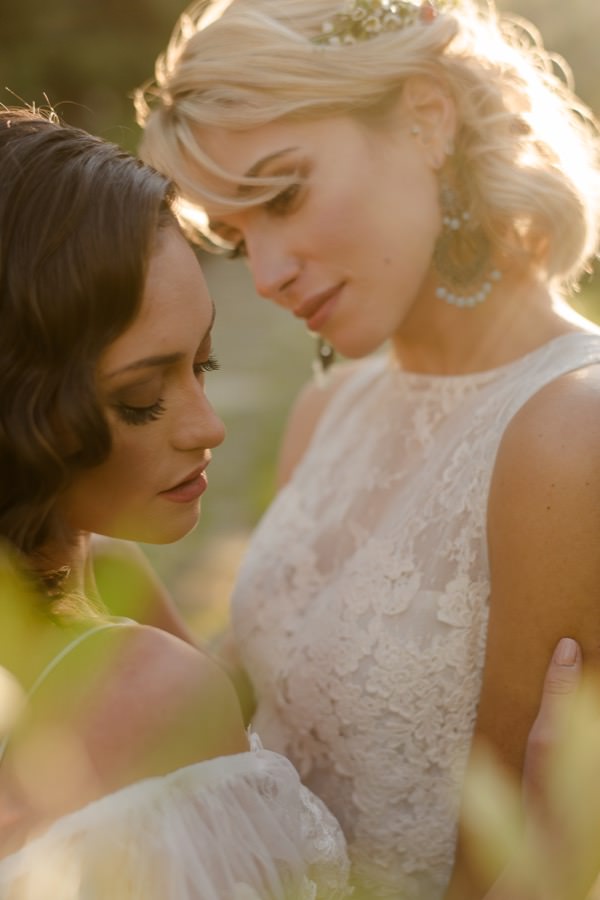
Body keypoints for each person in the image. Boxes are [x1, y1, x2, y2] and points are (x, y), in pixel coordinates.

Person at [135, 0, 600, 896]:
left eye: (283, 194)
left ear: (427, 116)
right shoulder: (327, 411)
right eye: (237, 238)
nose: (265, 275)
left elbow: (500, 868)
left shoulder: (569, 435)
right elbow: (249, 719)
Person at [0, 106, 350, 899]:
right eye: (140, 397)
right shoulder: (143, 691)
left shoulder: (111, 579)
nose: (209, 427)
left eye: (204, 363)